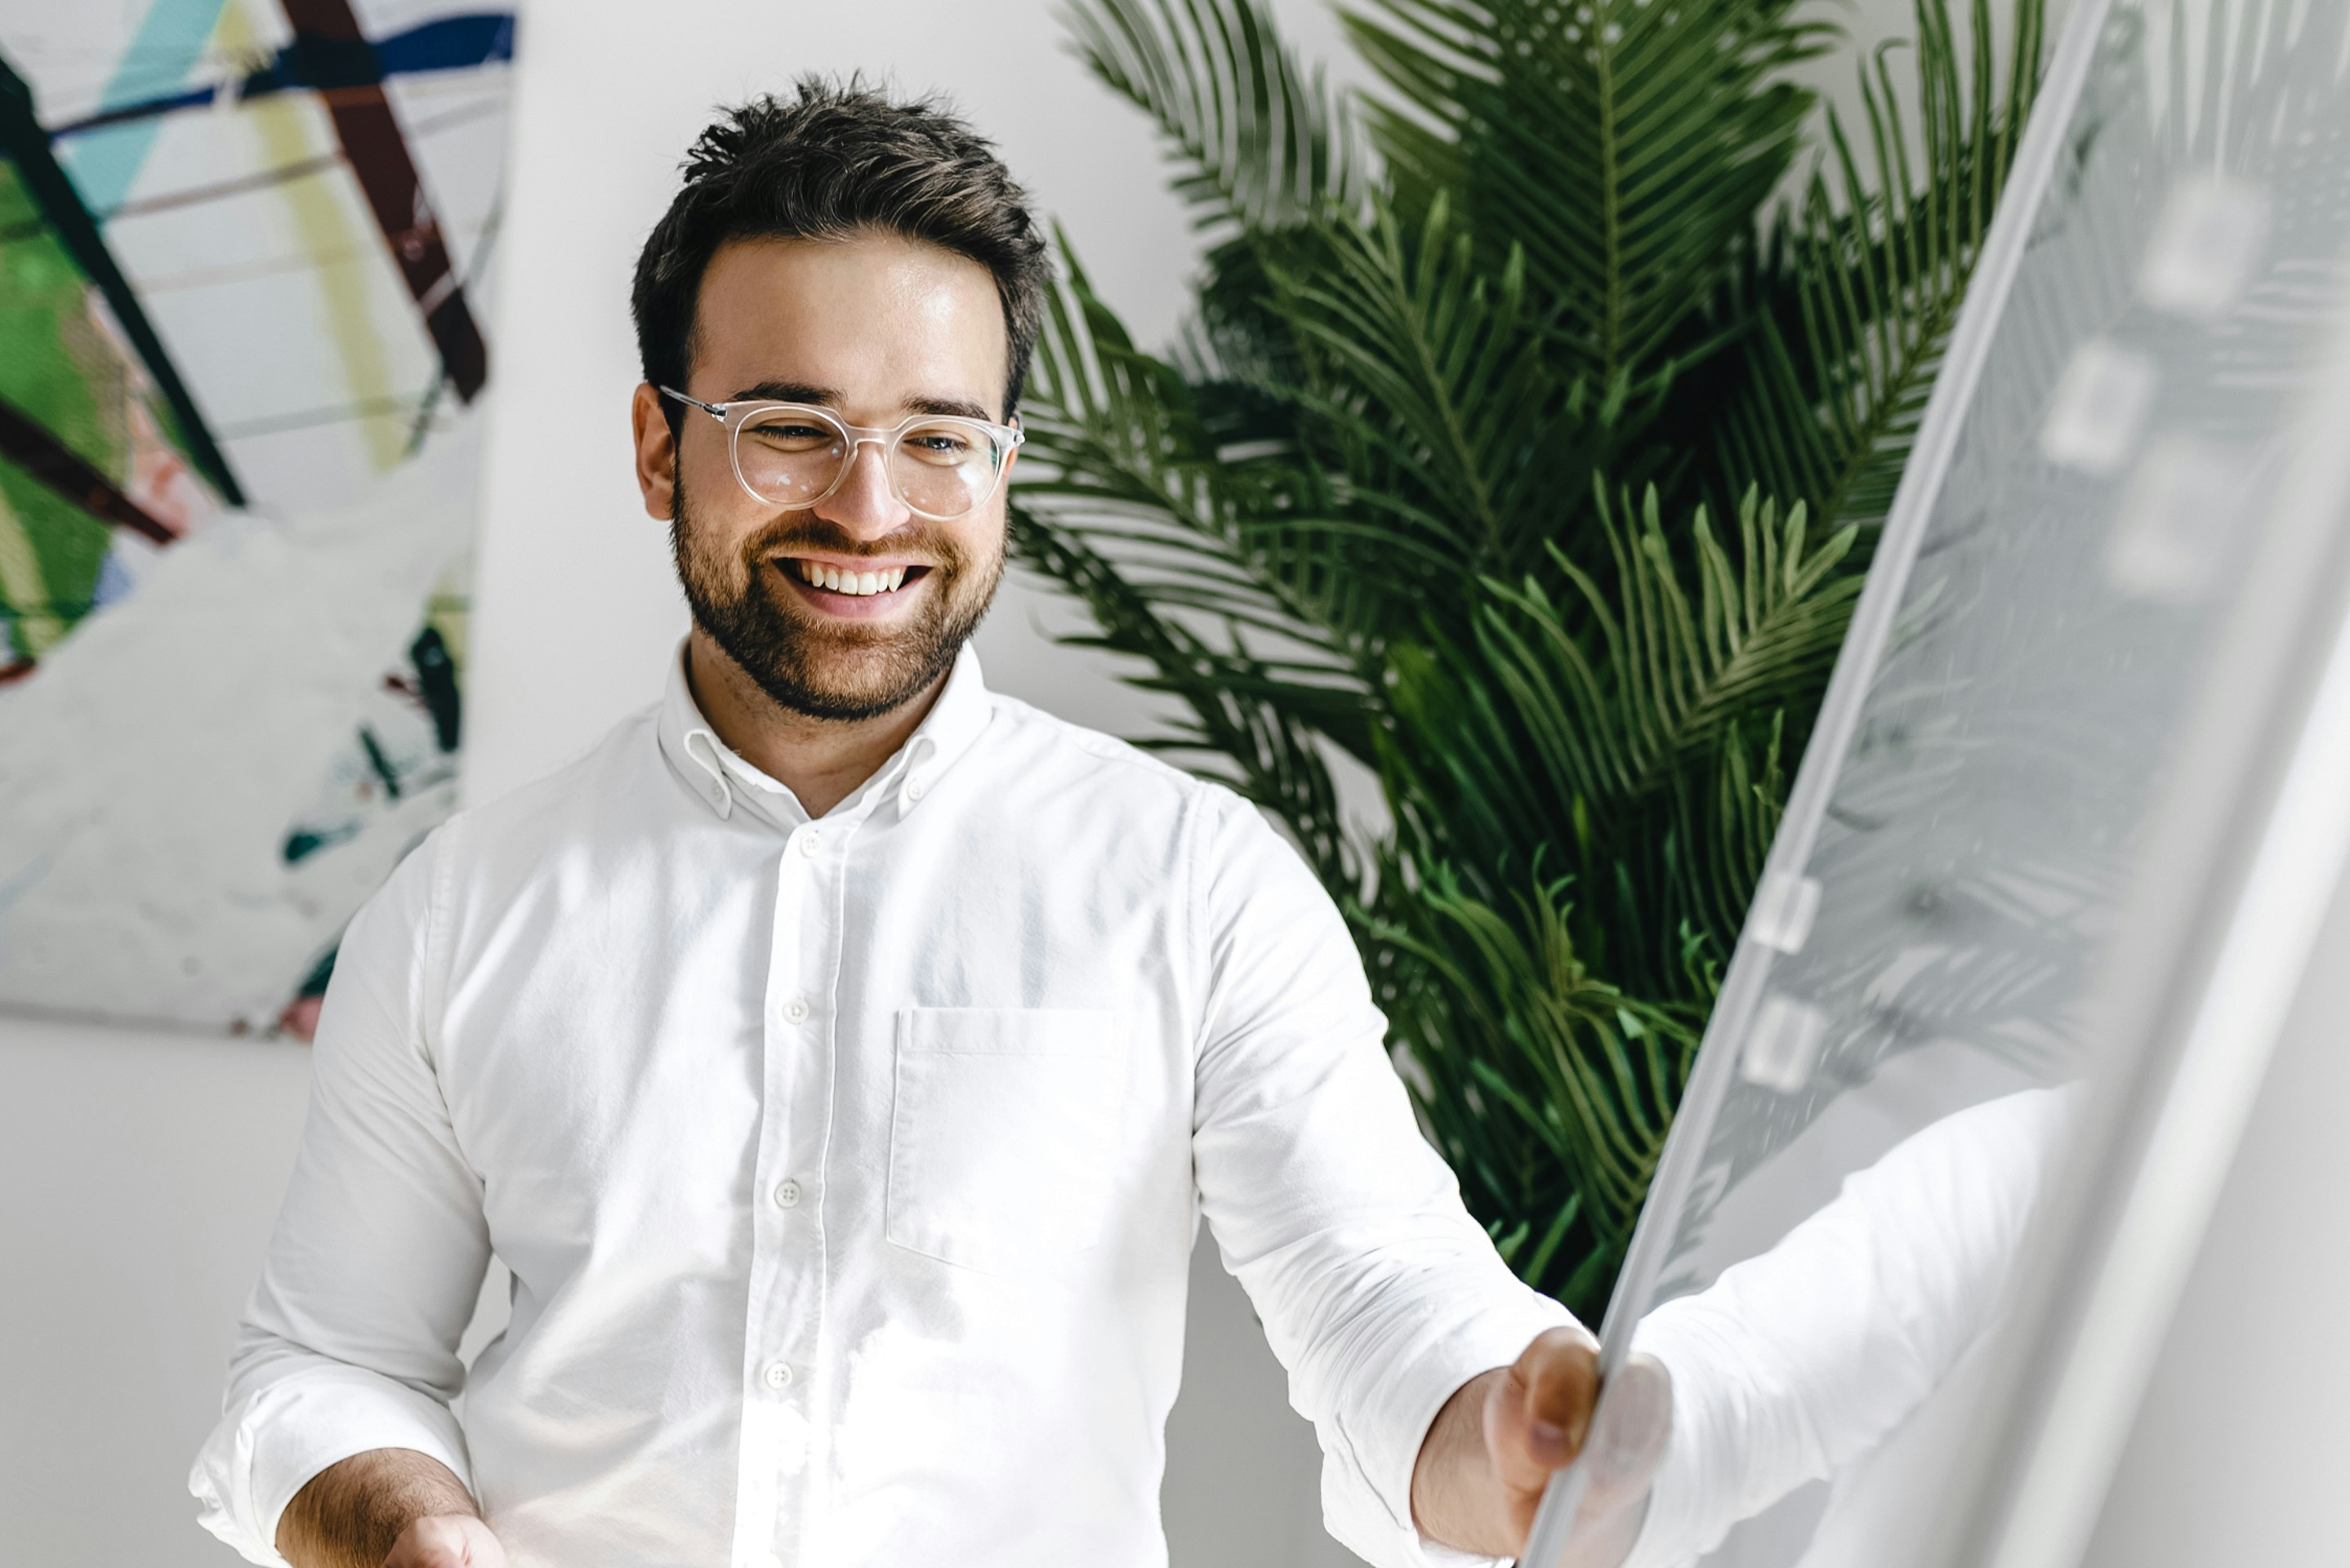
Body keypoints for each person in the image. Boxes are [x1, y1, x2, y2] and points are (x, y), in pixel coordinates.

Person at [188, 80, 1666, 1568]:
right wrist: (407, 1536)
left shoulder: (1194, 885)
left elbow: (1383, 1299)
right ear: (659, 447)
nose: (869, 508)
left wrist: (1517, 1449)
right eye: (789, 427)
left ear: (1004, 464)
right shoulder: (462, 909)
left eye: (939, 438)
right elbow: (328, 1364)